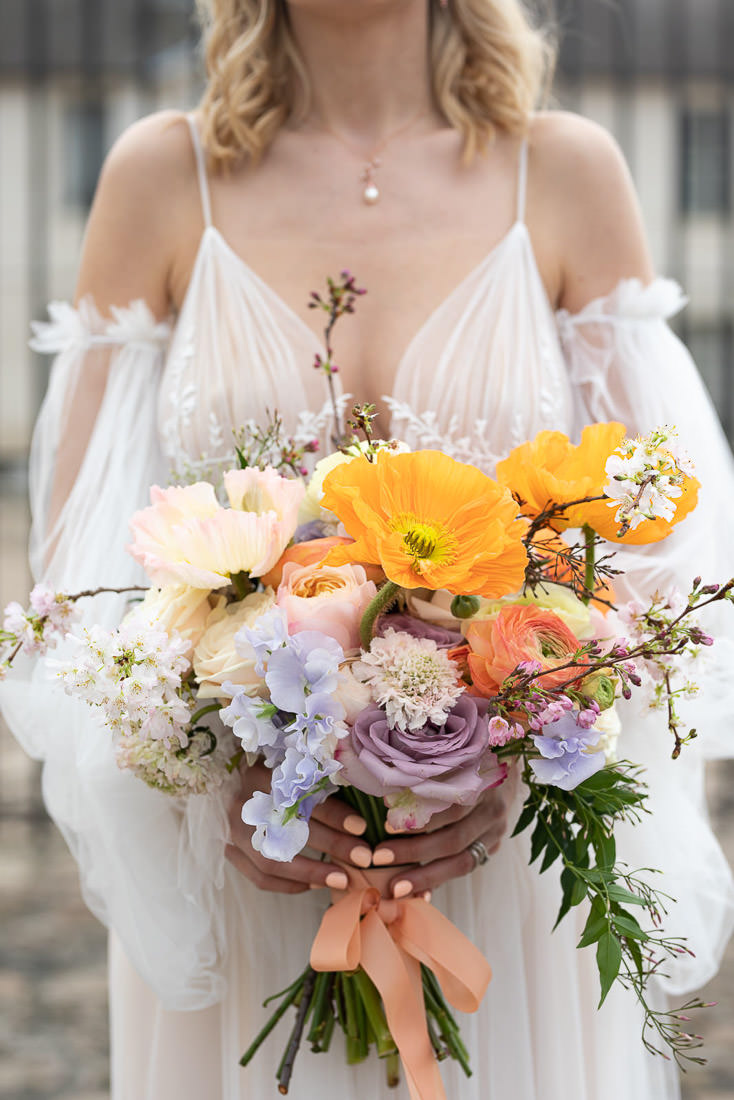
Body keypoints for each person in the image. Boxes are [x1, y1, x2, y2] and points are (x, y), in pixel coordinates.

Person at [2, 1, 734, 1098]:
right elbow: (76, 578)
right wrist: (227, 775)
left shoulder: (567, 171)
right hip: (251, 859)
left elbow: (655, 549)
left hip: (509, 864)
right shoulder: (162, 175)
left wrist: (524, 744)